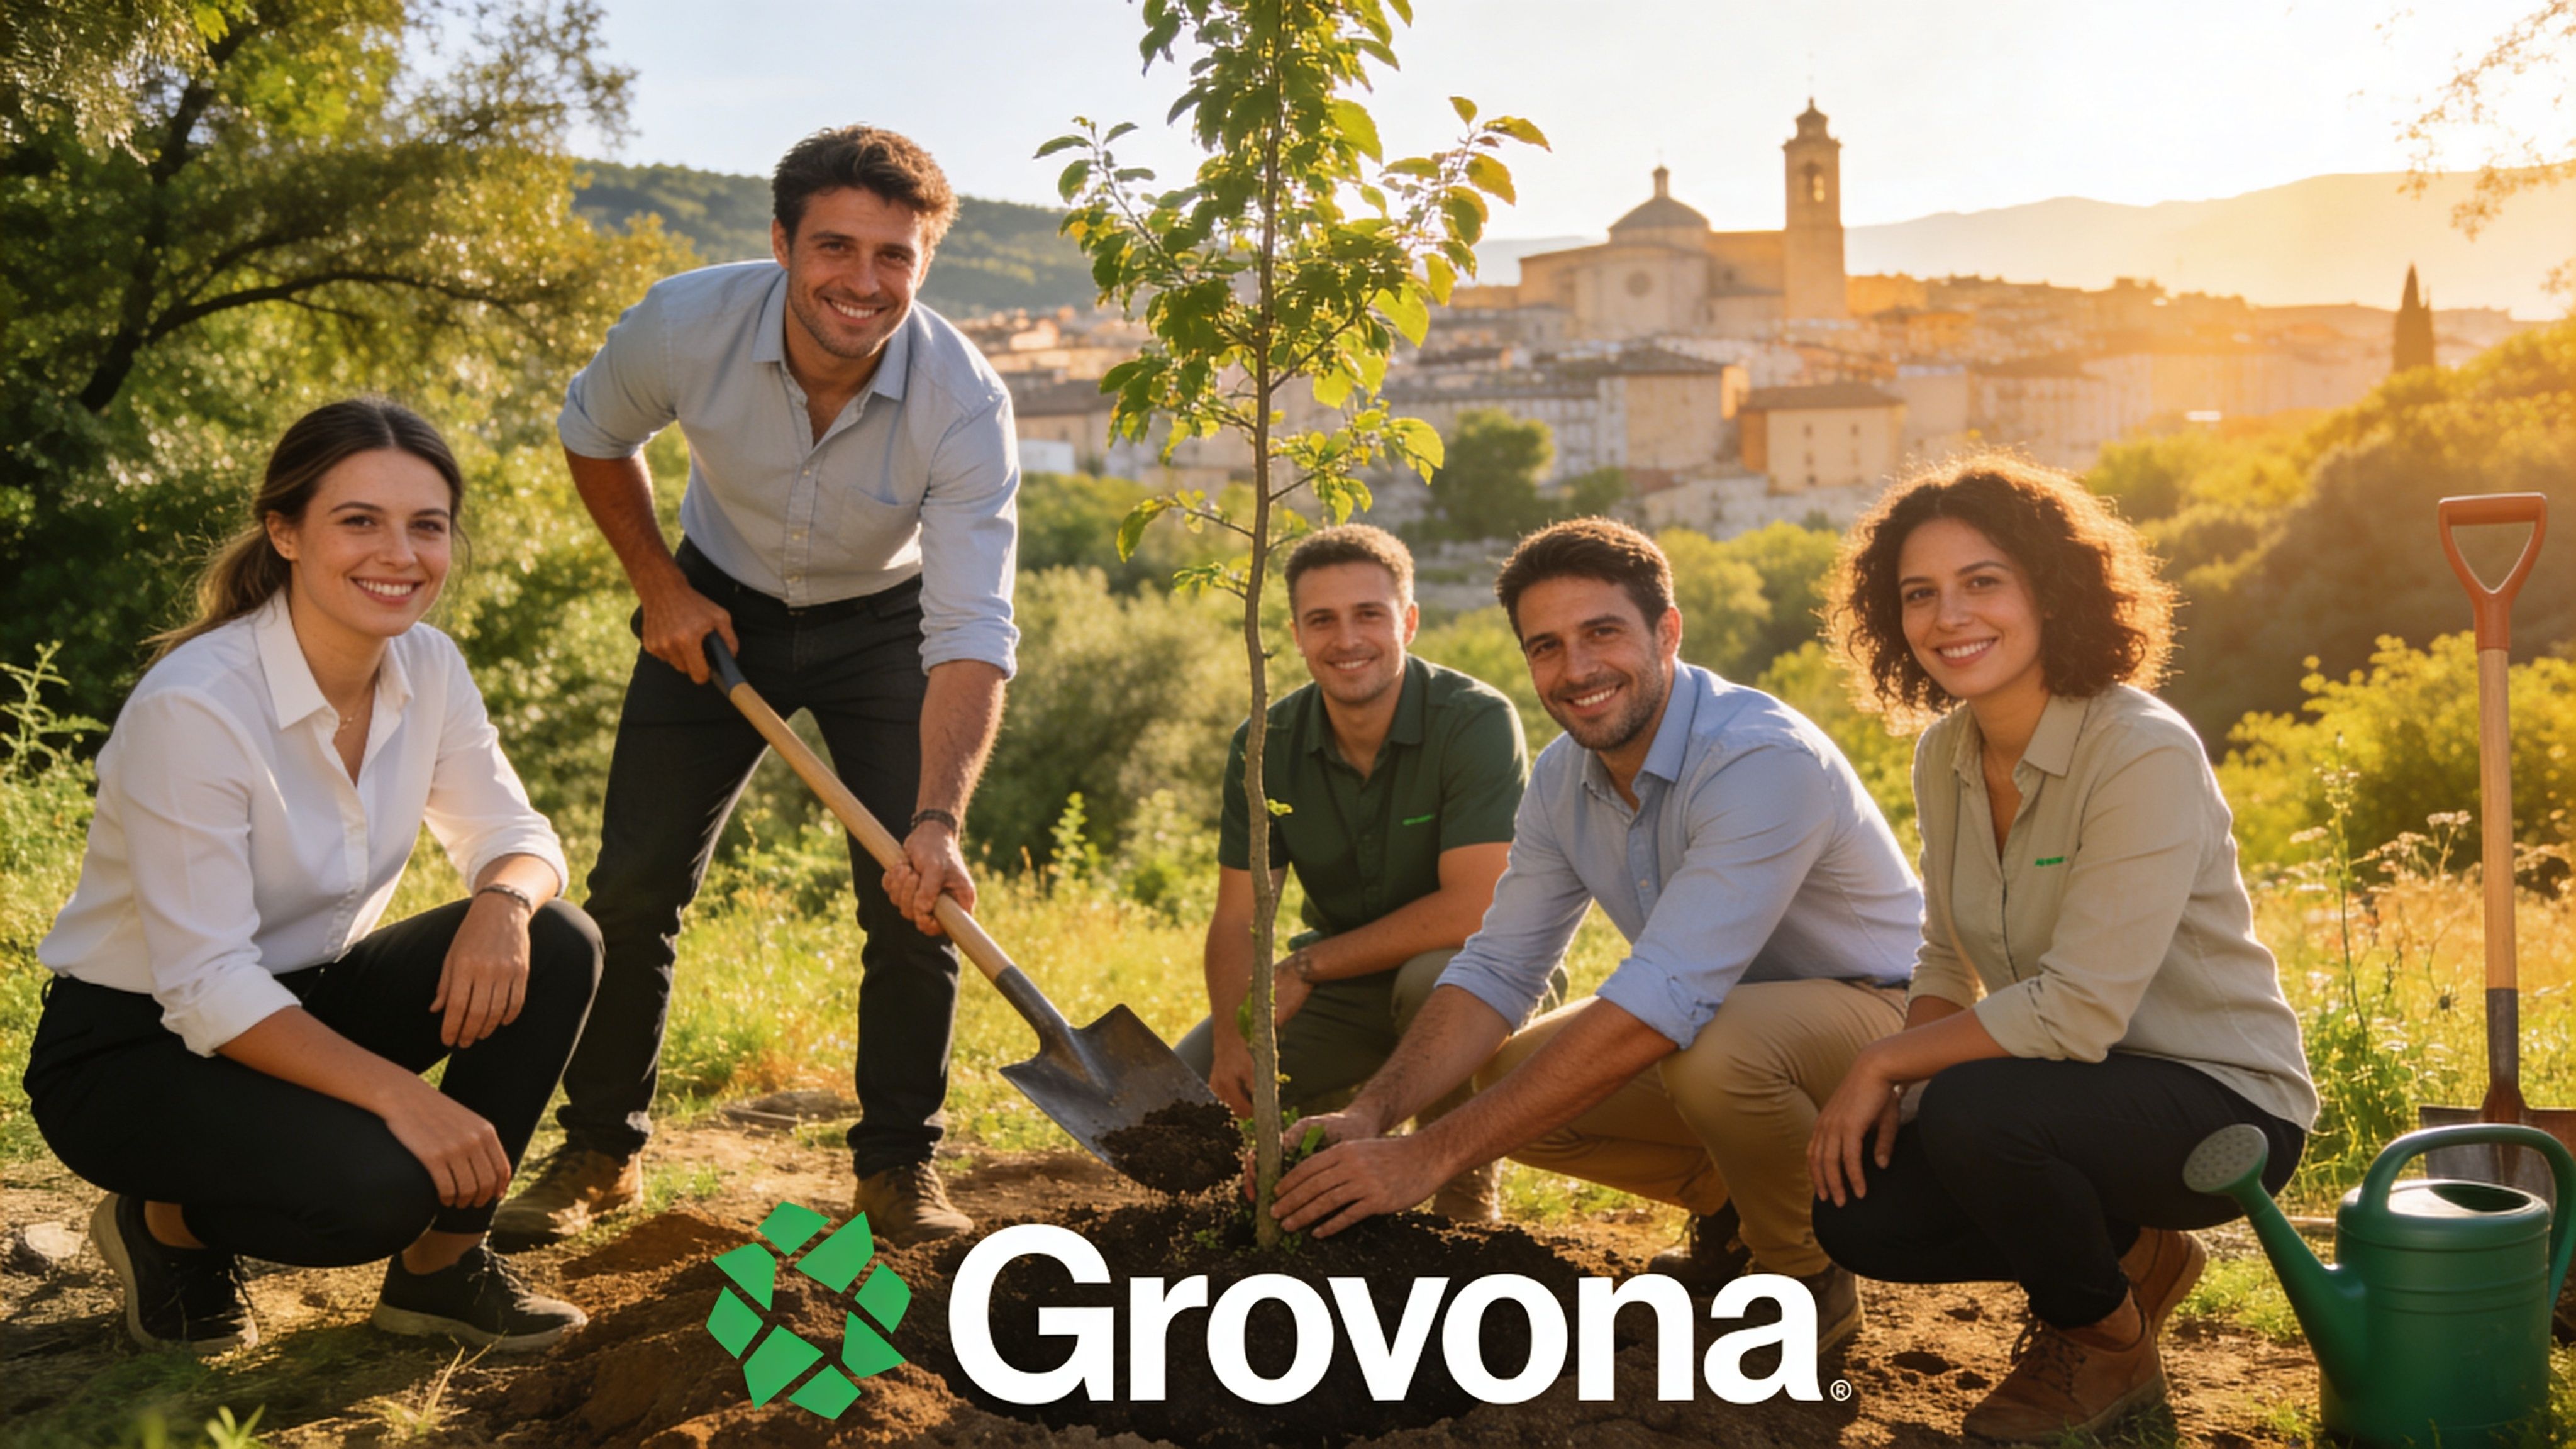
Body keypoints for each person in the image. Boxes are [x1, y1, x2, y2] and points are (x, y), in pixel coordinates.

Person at [494, 125, 1019, 1251]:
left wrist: (937, 818)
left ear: (924, 263)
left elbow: (971, 626)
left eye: (896, 256)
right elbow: (593, 434)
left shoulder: (966, 404)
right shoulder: (683, 322)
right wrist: (657, 584)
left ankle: (897, 1166)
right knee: (633, 887)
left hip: (887, 621)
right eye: (836, 246)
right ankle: (600, 1149)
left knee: (915, 893)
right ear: (780, 241)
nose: (864, 282)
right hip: (712, 604)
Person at [26, 398, 602, 1354]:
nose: (400, 554)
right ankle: (161, 1223)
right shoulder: (197, 707)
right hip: (138, 1051)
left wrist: (502, 900)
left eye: (428, 526)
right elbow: (208, 985)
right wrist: (407, 1097)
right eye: (359, 521)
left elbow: (515, 830)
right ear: (285, 533)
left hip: (306, 1002)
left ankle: (443, 1271)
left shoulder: (429, 664)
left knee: (554, 937)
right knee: (380, 1191)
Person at [1272, 518, 1923, 1349]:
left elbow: (1663, 1001)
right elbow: (1501, 966)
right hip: (1726, 1026)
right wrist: (1373, 1116)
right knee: (1512, 1075)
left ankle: (1805, 1276)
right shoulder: (1563, 777)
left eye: (1602, 633)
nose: (1576, 671)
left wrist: (1429, 1157)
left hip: (1888, 1031)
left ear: (1668, 632)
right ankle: (1740, 1216)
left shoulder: (1760, 758)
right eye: (1546, 647)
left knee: (1716, 1050)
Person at [1805, 456, 2317, 1442]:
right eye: (1921, 595)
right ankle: (2135, 1258)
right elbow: (1948, 960)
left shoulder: (2141, 749)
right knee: (1860, 1211)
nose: (1949, 617)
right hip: (2074, 1089)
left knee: (1974, 1110)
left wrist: (1887, 1062)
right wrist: (1900, 1097)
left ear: (2052, 589)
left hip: (2219, 1099)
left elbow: (2080, 1009)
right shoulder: (1944, 754)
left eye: (1982, 581)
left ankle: (2103, 1344)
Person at [1172, 525, 1538, 1221]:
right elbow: (1237, 914)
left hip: (1477, 975)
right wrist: (1231, 1035)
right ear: (1296, 634)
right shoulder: (1264, 742)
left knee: (1433, 978)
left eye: (1368, 614)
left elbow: (1473, 910)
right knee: (1190, 1099)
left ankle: (1459, 1193)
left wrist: (1305, 970)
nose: (1346, 639)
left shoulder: (1475, 721)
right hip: (1346, 987)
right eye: (1322, 620)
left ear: (1408, 620)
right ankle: (1317, 1156)